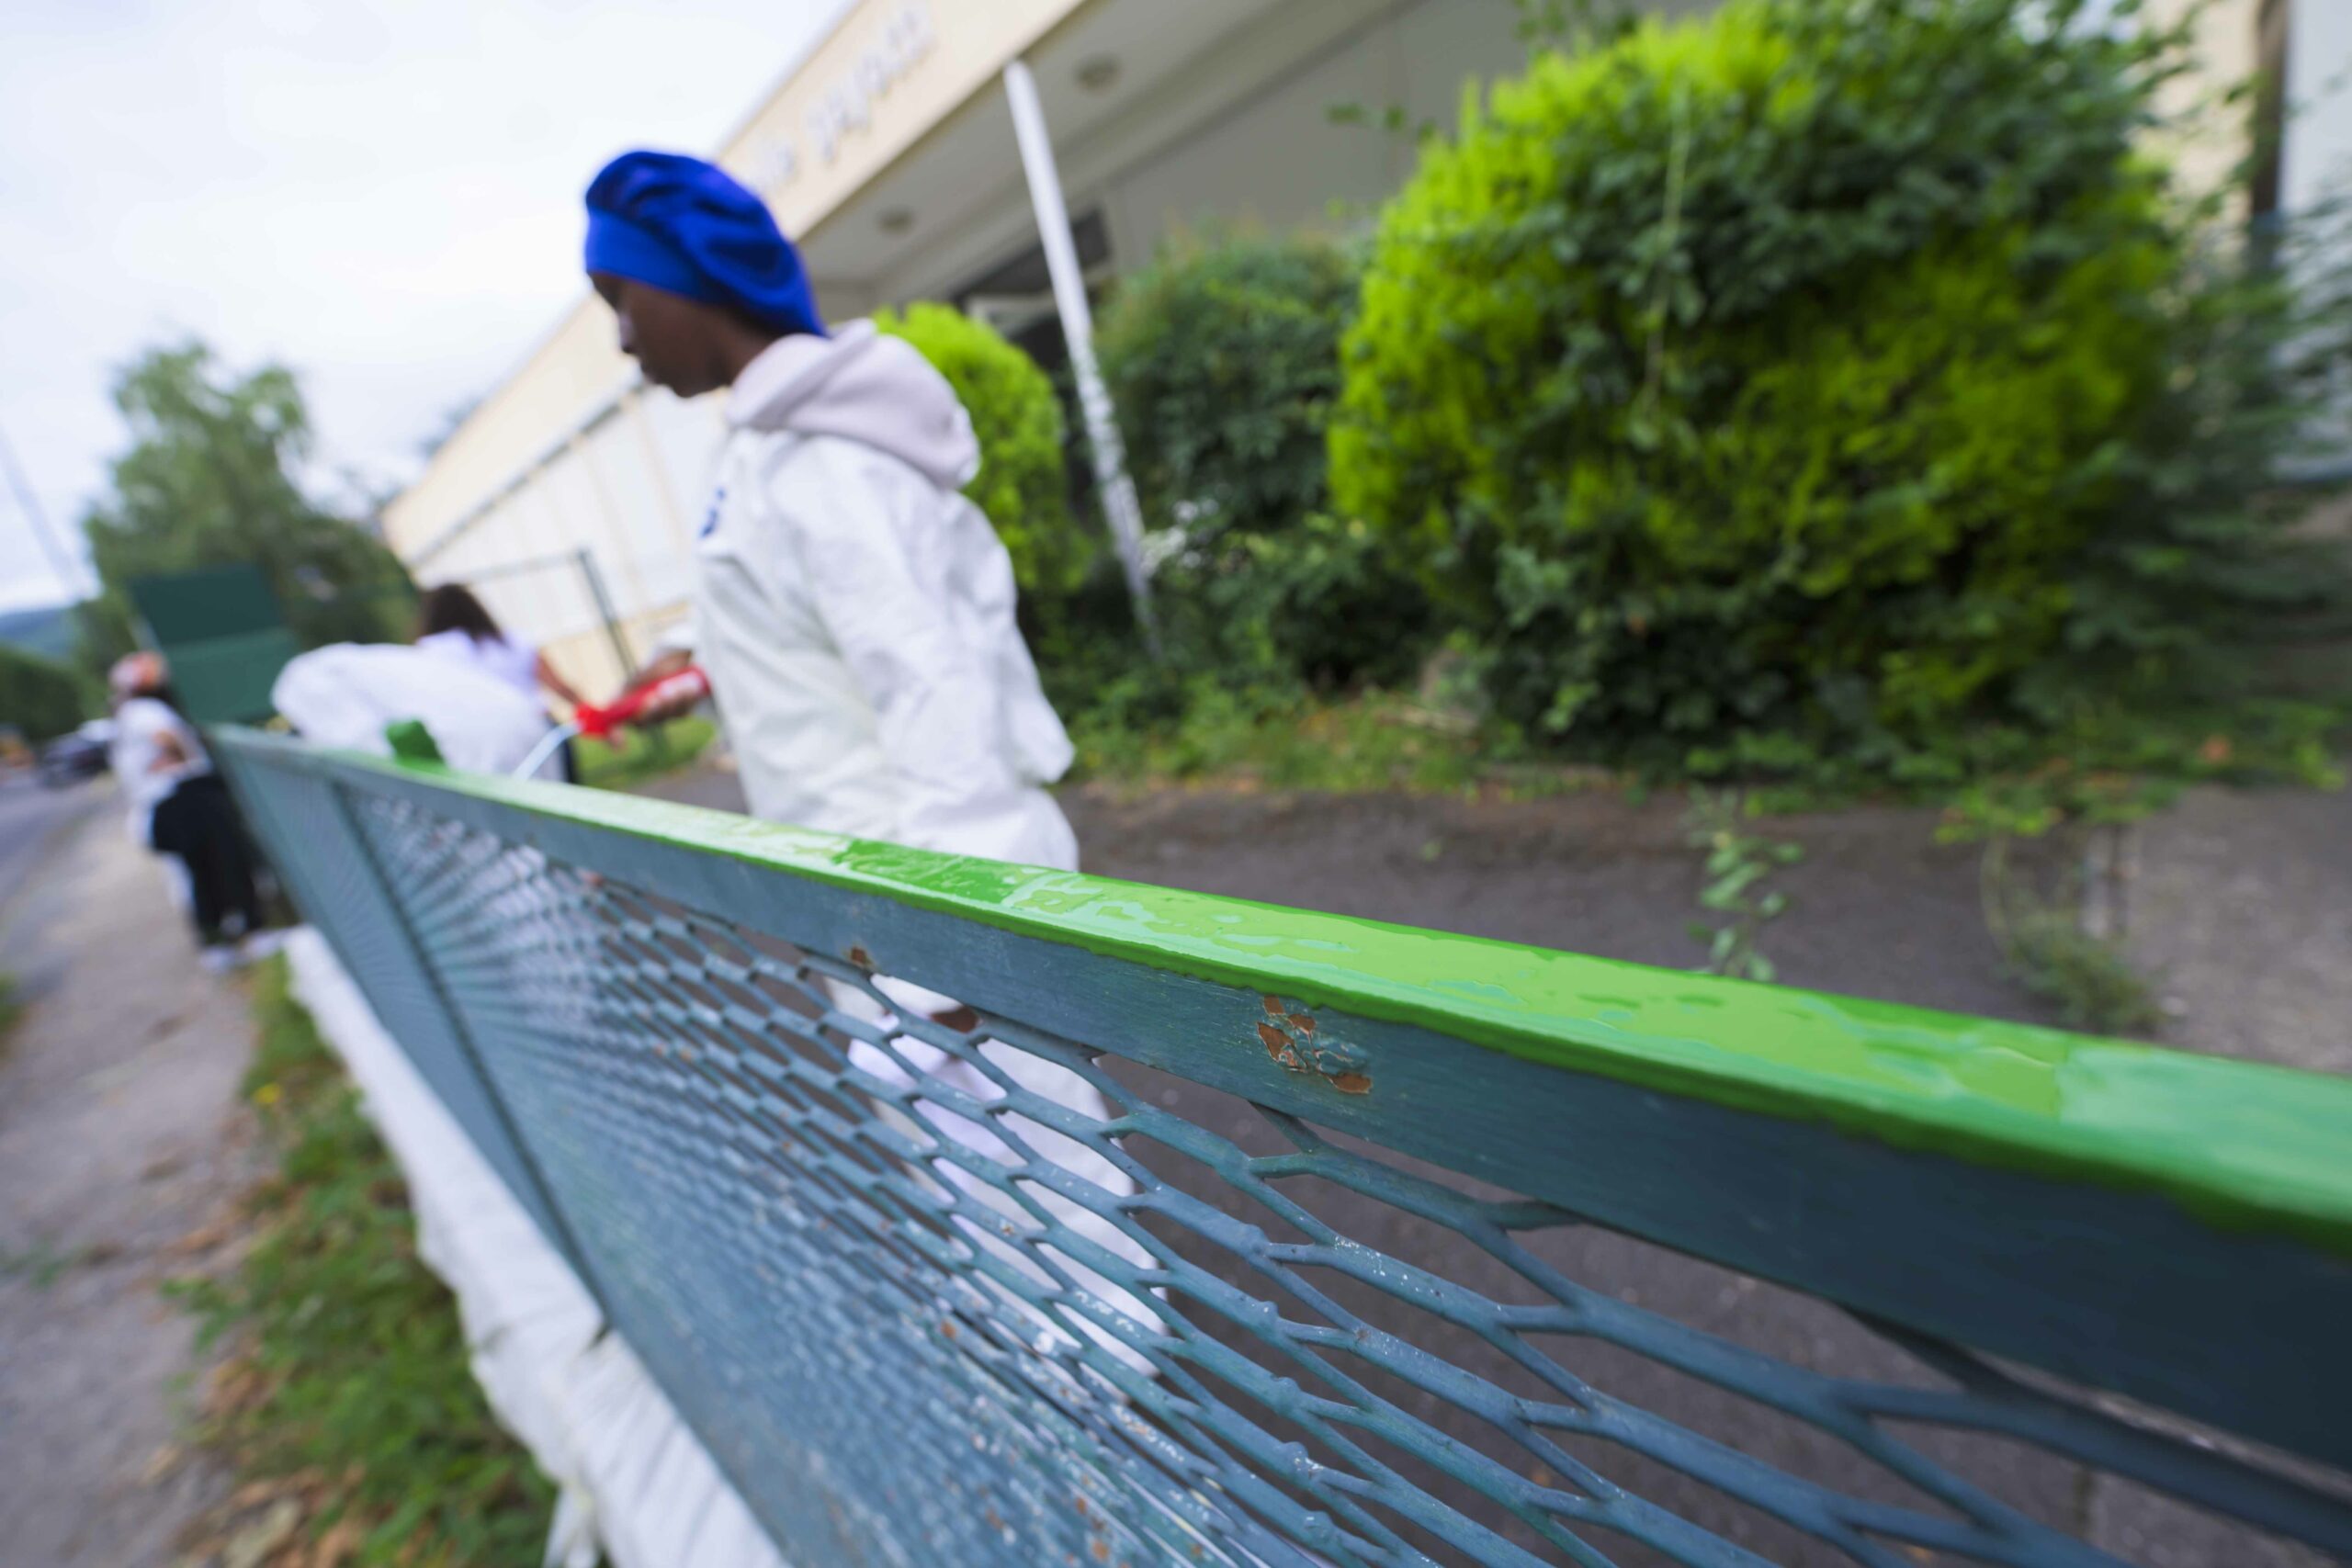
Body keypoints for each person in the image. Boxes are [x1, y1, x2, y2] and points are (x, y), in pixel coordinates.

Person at [581, 151, 1154, 1363]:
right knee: (987, 1193)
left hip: (935, 913)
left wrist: (957, 933)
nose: (624, 340)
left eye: (623, 300)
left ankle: (1124, 1441)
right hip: (881, 906)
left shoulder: (828, 457)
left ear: (693, 282)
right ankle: (1061, 1398)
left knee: (1046, 1191)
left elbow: (932, 684)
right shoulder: (766, 452)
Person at [107, 653, 275, 973]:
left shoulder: (129, 712)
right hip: (185, 795)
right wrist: (178, 756)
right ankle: (250, 933)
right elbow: (164, 736)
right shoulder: (145, 709)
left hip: (170, 799)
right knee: (225, 861)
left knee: (200, 871)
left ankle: (219, 941)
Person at [414, 582, 588, 781]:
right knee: (566, 797)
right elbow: (560, 686)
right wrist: (595, 718)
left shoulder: (431, 650)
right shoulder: (515, 639)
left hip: (485, 739)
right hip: (541, 728)